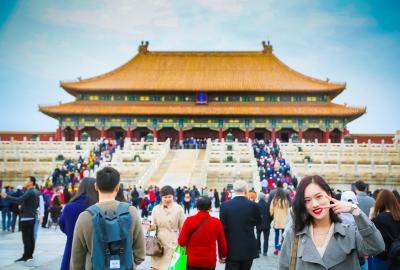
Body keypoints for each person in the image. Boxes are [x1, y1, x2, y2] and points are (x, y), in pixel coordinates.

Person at [278, 175, 385, 270]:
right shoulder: (293, 235)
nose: (315, 204)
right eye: (307, 200)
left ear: (329, 194)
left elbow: (377, 247)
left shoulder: (350, 232)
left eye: (319, 196)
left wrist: (356, 211)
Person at [70, 167, 145, 269]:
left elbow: (76, 259)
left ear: (96, 186)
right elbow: (140, 254)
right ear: (118, 187)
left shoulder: (85, 216)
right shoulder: (131, 212)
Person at [220, 180, 261, 270]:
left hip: (231, 248)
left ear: (234, 190)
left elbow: (223, 230)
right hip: (248, 247)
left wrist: (221, 253)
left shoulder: (224, 205)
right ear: (246, 190)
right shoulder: (253, 205)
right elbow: (258, 222)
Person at [178, 196, 228, 270]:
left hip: (192, 261)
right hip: (209, 261)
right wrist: (223, 256)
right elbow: (222, 243)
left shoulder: (189, 221)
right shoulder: (216, 222)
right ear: (210, 208)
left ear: (197, 207)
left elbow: (181, 242)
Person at [59, 177, 98, 270]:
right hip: (94, 253)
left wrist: (72, 233)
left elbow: (62, 224)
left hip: (71, 250)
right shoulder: (97, 207)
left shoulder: (69, 207)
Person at [1, 176, 40, 262]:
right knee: (31, 238)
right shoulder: (36, 192)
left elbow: (19, 200)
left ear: (31, 182)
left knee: (26, 238)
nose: (25, 182)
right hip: (32, 217)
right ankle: (29, 255)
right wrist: (25, 206)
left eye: (26, 180)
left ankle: (26, 256)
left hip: (26, 218)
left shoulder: (29, 192)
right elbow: (36, 205)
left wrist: (6, 197)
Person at [147, 185, 185, 270]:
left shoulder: (179, 209)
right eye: (165, 197)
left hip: (173, 242)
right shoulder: (155, 209)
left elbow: (182, 228)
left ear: (173, 196)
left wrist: (182, 244)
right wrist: (150, 227)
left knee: (171, 267)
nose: (167, 199)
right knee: (157, 267)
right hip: (158, 244)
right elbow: (152, 227)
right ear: (160, 197)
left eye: (169, 197)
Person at [370, 189, 400, 270]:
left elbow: (369, 234)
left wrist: (371, 217)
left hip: (382, 257)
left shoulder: (380, 218)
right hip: (397, 255)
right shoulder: (398, 215)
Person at [270, 188, 289, 255]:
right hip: (284, 220)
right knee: (283, 235)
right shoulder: (285, 201)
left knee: (277, 235)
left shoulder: (274, 201)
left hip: (277, 220)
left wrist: (273, 215)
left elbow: (271, 211)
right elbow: (287, 211)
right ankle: (282, 247)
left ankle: (276, 248)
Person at [257, 192, 271, 256]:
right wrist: (269, 221)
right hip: (266, 224)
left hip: (258, 224)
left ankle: (258, 249)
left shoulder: (256, 205)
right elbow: (271, 215)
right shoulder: (268, 205)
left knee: (258, 237)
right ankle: (265, 251)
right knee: (266, 239)